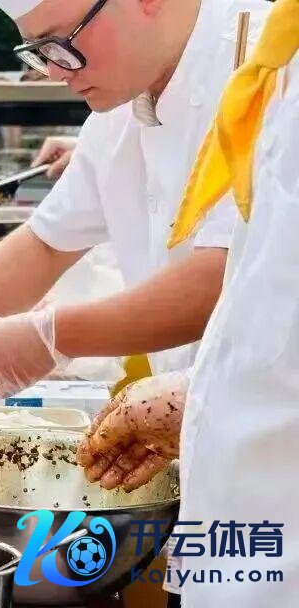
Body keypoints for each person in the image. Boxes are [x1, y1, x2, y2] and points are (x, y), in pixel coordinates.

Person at [0, 0, 269, 402]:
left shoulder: (270, 65)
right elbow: (47, 243)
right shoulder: (124, 99)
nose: (57, 71)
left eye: (61, 42)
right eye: (40, 52)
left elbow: (222, 274)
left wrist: (54, 334)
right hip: (203, 410)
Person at [80, 1, 299, 603]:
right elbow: (266, 303)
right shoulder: (282, 61)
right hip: (234, 530)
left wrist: (203, 398)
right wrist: (197, 398)